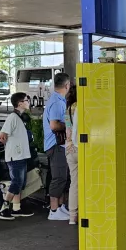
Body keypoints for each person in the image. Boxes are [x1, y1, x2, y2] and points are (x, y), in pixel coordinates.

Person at [0, 92, 35, 220]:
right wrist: (11, 145)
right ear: (20, 103)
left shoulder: (19, 117)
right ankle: (4, 208)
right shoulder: (13, 117)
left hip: (20, 155)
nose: (28, 101)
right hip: (15, 156)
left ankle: (16, 208)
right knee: (17, 182)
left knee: (20, 183)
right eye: (27, 100)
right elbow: (2, 135)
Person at [44, 72, 71, 221]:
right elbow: (54, 125)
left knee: (63, 177)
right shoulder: (57, 102)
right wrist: (69, 125)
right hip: (55, 145)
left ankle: (60, 208)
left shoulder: (57, 100)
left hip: (57, 145)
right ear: (67, 85)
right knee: (59, 177)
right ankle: (53, 210)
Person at [64, 83, 79, 227]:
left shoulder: (68, 108)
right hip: (81, 147)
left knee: (74, 183)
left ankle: (72, 216)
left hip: (69, 149)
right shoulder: (82, 107)